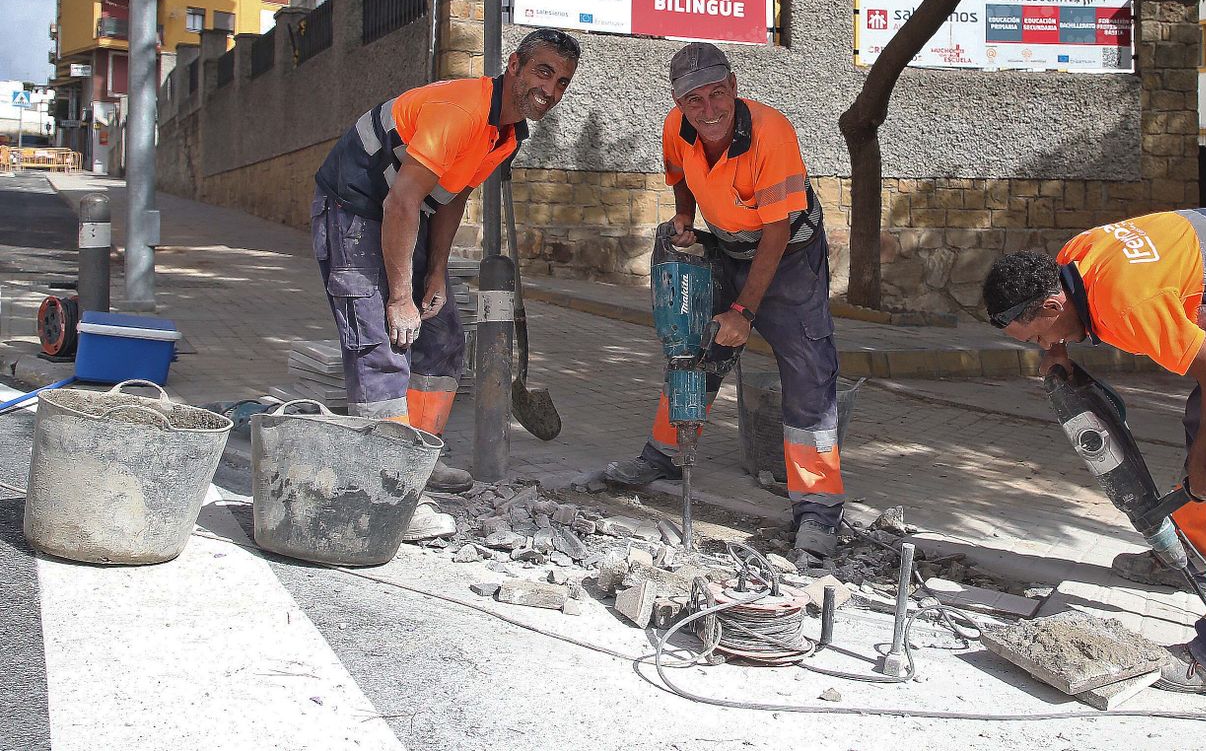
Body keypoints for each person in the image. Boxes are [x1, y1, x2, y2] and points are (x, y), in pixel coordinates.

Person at [981, 208, 1206, 697]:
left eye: (1039, 337)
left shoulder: (1129, 306)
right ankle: (1192, 556)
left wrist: (1202, 456)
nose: (1044, 346)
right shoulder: (1070, 262)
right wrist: (1060, 354)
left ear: (1054, 304)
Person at [310, 28, 580, 538]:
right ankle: (385, 491)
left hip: (401, 215)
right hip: (354, 210)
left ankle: (416, 461)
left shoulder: (508, 133)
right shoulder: (461, 111)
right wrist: (397, 296)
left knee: (444, 340)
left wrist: (434, 272)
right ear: (516, 65)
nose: (551, 88)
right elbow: (400, 201)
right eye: (543, 71)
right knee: (382, 342)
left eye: (562, 81)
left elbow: (452, 195)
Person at [601, 42, 844, 567]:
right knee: (693, 351)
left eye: (717, 94)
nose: (708, 109)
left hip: (790, 257)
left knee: (807, 372)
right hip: (729, 247)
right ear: (679, 102)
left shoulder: (771, 133)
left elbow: (777, 232)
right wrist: (685, 218)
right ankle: (665, 455)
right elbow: (680, 178)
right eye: (694, 100)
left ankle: (819, 507)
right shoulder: (677, 126)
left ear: (733, 87)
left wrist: (744, 313)